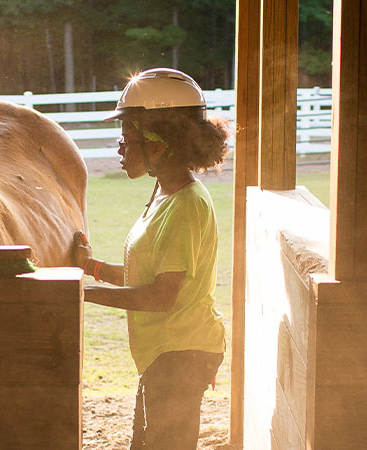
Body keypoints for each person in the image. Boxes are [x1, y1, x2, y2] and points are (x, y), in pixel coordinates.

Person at [74, 68, 229, 450]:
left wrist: (82, 294)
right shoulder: (163, 194)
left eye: (128, 139)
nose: (120, 148)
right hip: (166, 353)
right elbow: (143, 273)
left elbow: (161, 297)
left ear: (161, 143)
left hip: (182, 353)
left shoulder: (186, 206)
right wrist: (91, 267)